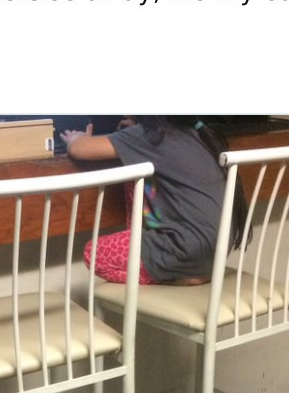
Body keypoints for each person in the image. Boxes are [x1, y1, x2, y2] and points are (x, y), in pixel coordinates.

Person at [61, 116, 248, 285]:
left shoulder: (148, 137)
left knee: (92, 253)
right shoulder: (197, 133)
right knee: (142, 173)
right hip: (215, 253)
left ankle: (179, 276)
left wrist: (76, 137)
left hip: (185, 248)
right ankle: (183, 268)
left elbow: (79, 149)